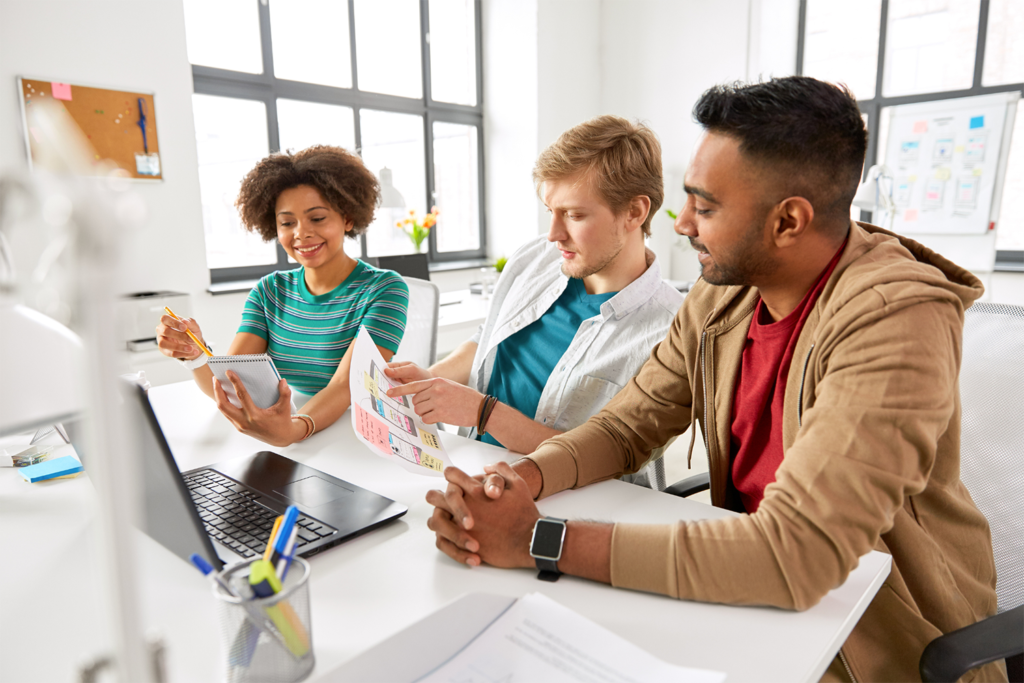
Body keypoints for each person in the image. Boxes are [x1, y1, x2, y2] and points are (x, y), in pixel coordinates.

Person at [425, 78, 1003, 683]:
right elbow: (627, 426)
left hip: (874, 632)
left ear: (788, 221)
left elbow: (794, 555)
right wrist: (518, 480)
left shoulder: (894, 317)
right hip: (747, 597)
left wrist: (538, 539)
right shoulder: (723, 294)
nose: (682, 226)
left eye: (705, 207)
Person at [384, 116, 683, 468]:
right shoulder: (535, 257)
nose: (554, 233)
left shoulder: (672, 333)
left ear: (634, 212)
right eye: (550, 211)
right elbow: (487, 338)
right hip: (473, 468)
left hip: (574, 505)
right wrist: (432, 378)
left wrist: (484, 413)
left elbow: (609, 459)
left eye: (573, 214)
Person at [156, 145, 409, 447]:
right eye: (287, 223)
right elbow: (233, 384)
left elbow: (347, 386)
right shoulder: (269, 292)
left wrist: (295, 428)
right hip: (297, 431)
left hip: (360, 434)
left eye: (317, 218)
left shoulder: (384, 290)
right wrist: (195, 353)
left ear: (348, 218)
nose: (301, 233)